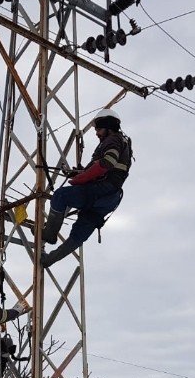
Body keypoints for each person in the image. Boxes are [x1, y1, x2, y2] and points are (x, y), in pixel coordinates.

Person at [41, 108, 133, 267]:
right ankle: (48, 260)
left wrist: (80, 179)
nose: (96, 133)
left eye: (98, 128)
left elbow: (107, 163)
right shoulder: (122, 142)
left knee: (60, 196)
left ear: (107, 126)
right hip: (109, 199)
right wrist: (80, 173)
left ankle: (49, 235)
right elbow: (104, 167)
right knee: (79, 234)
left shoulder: (113, 140)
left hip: (101, 190)